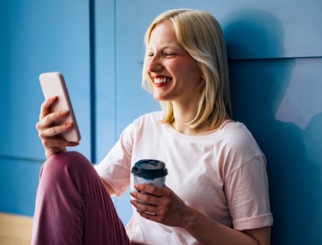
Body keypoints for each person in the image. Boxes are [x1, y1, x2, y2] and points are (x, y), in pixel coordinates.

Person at [32, 9, 273, 245]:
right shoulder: (143, 128)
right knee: (62, 166)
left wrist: (186, 217)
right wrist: (54, 152)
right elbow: (84, 191)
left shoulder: (233, 143)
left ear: (203, 65)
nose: (152, 66)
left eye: (167, 53)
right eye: (150, 54)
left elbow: (258, 242)